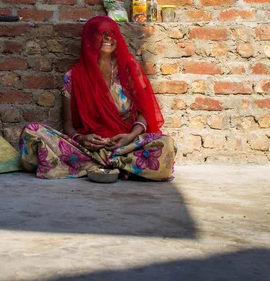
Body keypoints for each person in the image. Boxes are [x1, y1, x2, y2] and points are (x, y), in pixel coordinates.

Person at [18, 15, 177, 181]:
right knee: (32, 132)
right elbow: (68, 124)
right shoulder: (73, 77)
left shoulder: (129, 70)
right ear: (90, 38)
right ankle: (120, 166)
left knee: (167, 144)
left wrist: (130, 137)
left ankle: (99, 165)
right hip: (86, 149)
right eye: (102, 33)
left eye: (112, 33)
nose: (108, 38)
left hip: (125, 146)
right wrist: (81, 138)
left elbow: (145, 112)